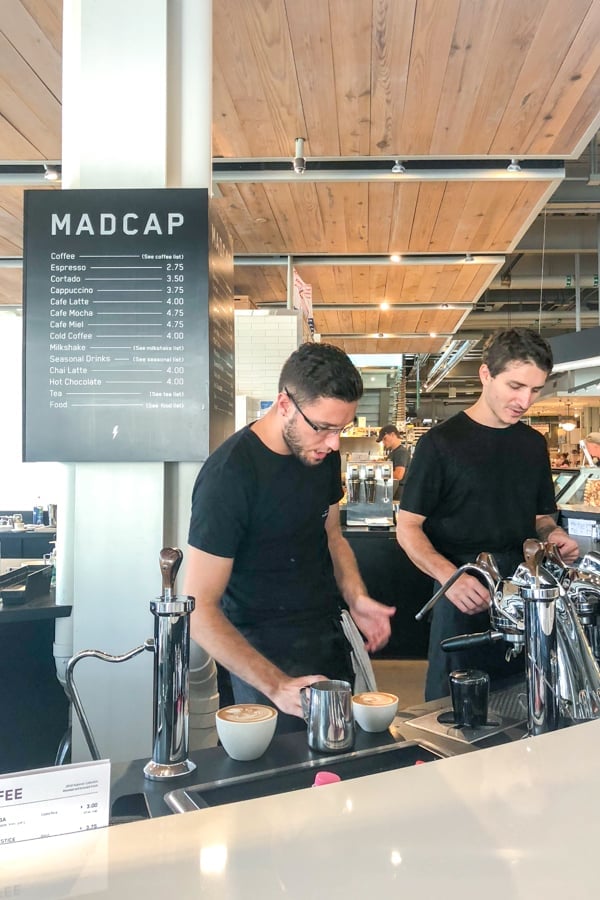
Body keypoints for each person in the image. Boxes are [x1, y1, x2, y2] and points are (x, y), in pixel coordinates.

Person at [184, 342, 396, 731]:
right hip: (260, 658)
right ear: (284, 404)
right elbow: (198, 610)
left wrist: (356, 596)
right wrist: (276, 685)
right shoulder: (228, 477)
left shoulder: (322, 454)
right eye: (324, 428)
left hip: (326, 637)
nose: (334, 443)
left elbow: (332, 536)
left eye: (341, 429)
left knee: (340, 756)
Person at [395, 328, 580, 701]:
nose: (524, 400)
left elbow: (541, 519)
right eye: (515, 386)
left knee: (523, 704)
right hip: (462, 594)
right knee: (454, 711)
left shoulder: (533, 445)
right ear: (485, 375)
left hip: (523, 597)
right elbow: (408, 527)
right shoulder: (440, 443)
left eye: (535, 390)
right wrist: (449, 578)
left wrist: (554, 536)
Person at [375, 425, 410, 500]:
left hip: (399, 493)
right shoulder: (393, 452)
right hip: (394, 490)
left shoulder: (401, 452)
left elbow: (398, 475)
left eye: (385, 438)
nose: (383, 442)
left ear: (392, 435)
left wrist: (378, 473)